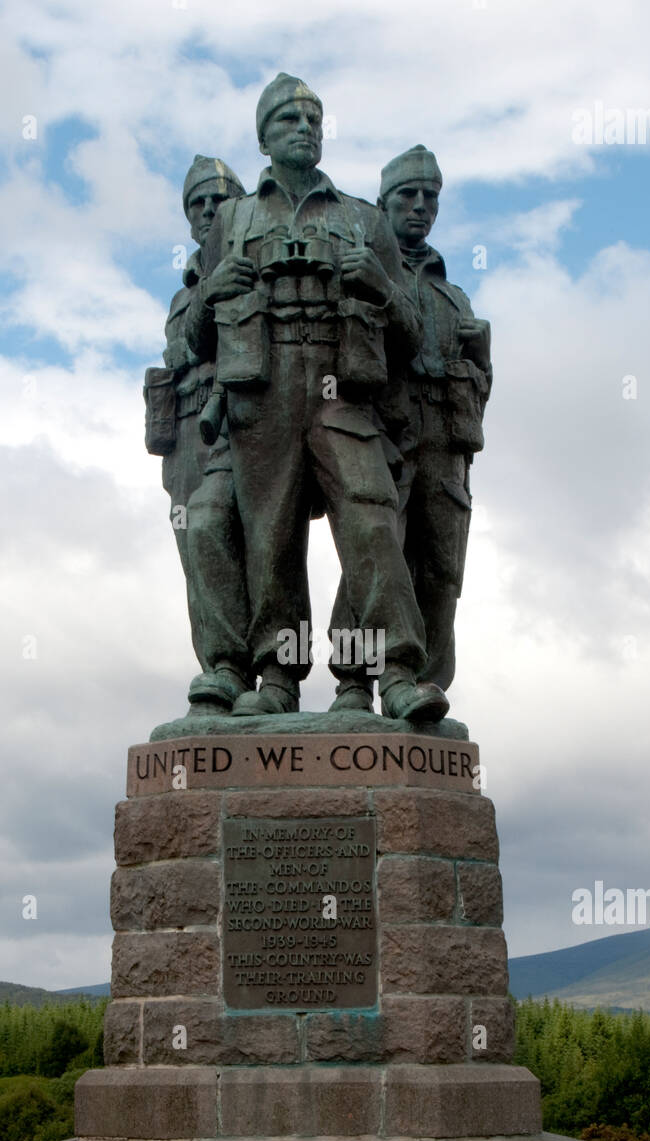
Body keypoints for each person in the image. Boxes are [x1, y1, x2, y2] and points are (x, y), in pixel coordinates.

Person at [185, 74, 448, 723]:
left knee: (371, 519)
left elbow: (412, 338)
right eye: (288, 122)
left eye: (313, 120)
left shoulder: (363, 218)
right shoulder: (233, 219)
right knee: (269, 538)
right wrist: (214, 286)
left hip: (342, 393)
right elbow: (198, 340)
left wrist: (382, 287)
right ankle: (277, 676)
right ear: (263, 137)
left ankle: (400, 672)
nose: (304, 130)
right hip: (264, 390)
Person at [329, 145, 492, 708]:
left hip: (446, 442)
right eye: (408, 196)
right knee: (374, 551)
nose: (421, 207)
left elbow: (480, 386)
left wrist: (483, 356)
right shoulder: (360, 269)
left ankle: (427, 686)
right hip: (385, 430)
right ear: (383, 204)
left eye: (431, 197)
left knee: (444, 571)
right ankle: (353, 681)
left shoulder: (455, 297)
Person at [144, 155, 253, 712]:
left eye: (218, 199)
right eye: (198, 203)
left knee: (243, 540)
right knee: (195, 549)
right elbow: (180, 351)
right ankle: (218, 671)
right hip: (186, 428)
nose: (209, 210)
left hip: (240, 415)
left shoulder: (248, 262)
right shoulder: (184, 290)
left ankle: (255, 670)